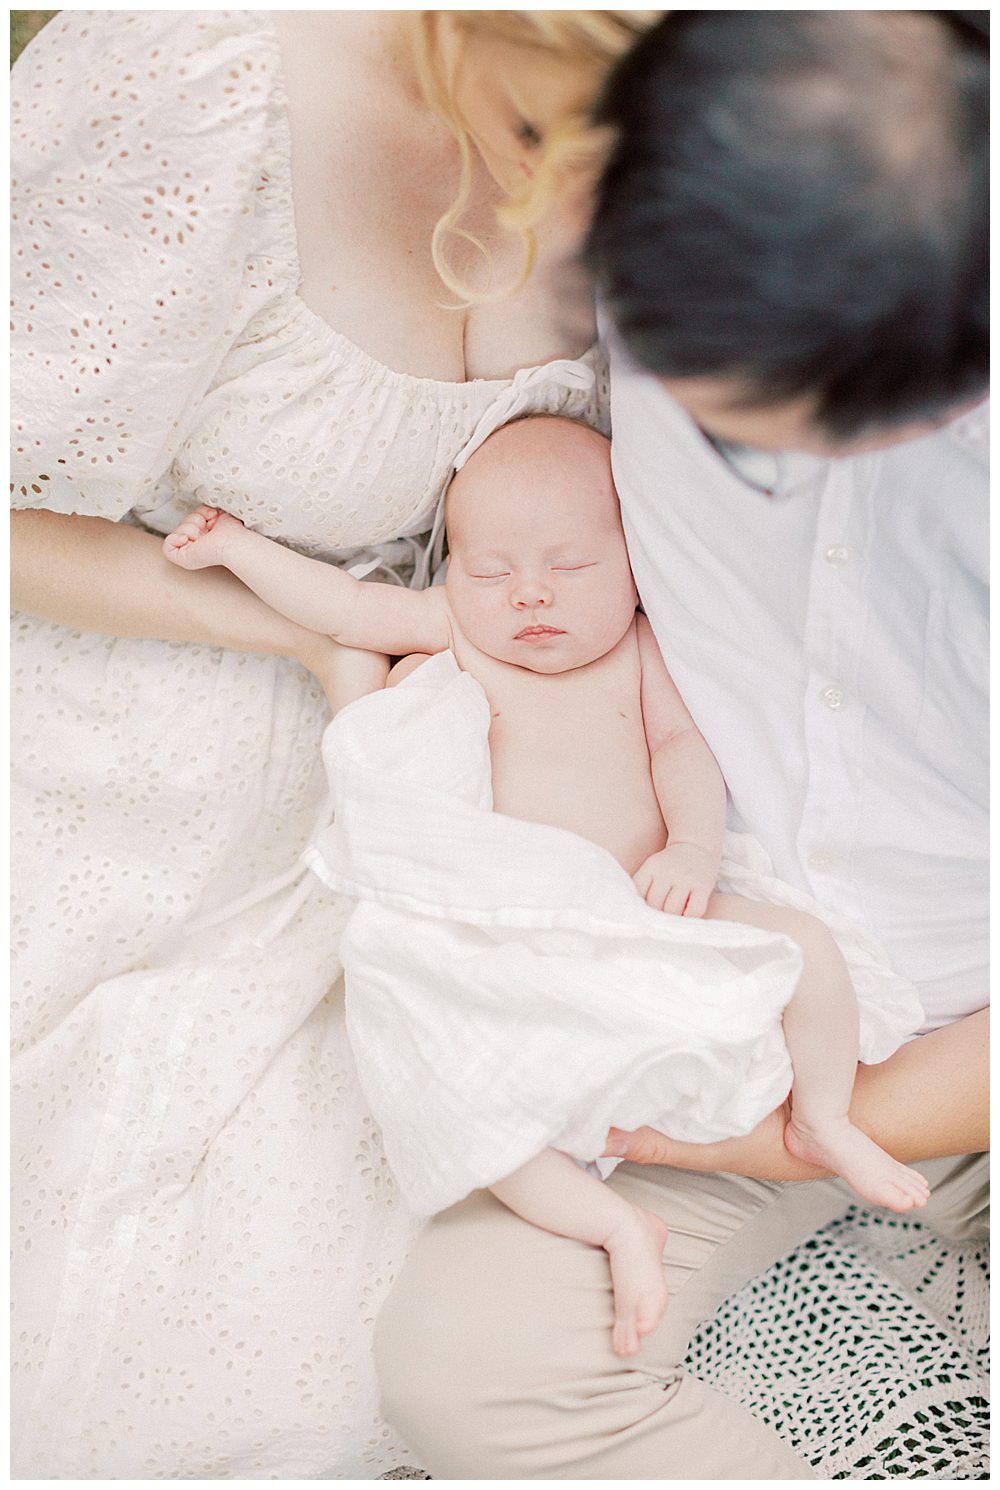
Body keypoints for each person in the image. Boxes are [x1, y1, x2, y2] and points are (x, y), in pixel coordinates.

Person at [9, 10, 659, 1478]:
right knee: (197, 1329)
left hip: (475, 777)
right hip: (147, 717)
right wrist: (313, 636)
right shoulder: (198, 70)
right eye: (560, 119)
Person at [373, 11, 989, 1480]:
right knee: (471, 1378)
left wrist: (795, 1131)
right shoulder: (693, 173)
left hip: (955, 1004)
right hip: (702, 975)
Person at [160, 414, 930, 1356]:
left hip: (650, 907)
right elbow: (343, 610)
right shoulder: (462, 635)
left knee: (805, 950)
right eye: (492, 572)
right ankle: (614, 1226)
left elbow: (686, 752)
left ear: (637, 568)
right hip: (518, 937)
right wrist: (237, 549)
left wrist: (690, 849)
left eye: (570, 568)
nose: (530, 595)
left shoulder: (641, 652)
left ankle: (822, 1115)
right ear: (455, 578)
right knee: (470, 1104)